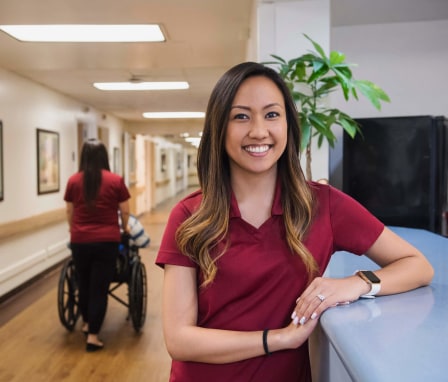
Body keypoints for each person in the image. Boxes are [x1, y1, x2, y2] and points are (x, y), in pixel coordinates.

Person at [155, 62, 434, 381]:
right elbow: (179, 340)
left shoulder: (323, 206)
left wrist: (355, 284)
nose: (258, 131)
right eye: (241, 116)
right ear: (220, 127)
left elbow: (417, 265)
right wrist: (279, 339)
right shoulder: (191, 215)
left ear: (289, 125)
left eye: (272, 114)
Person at [64, 139, 131, 352]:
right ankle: (93, 335)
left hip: (80, 240)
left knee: (83, 284)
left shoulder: (74, 181)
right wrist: (126, 228)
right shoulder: (115, 180)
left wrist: (72, 229)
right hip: (107, 241)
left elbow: (69, 211)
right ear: (105, 157)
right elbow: (125, 211)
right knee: (99, 288)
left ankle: (85, 323)